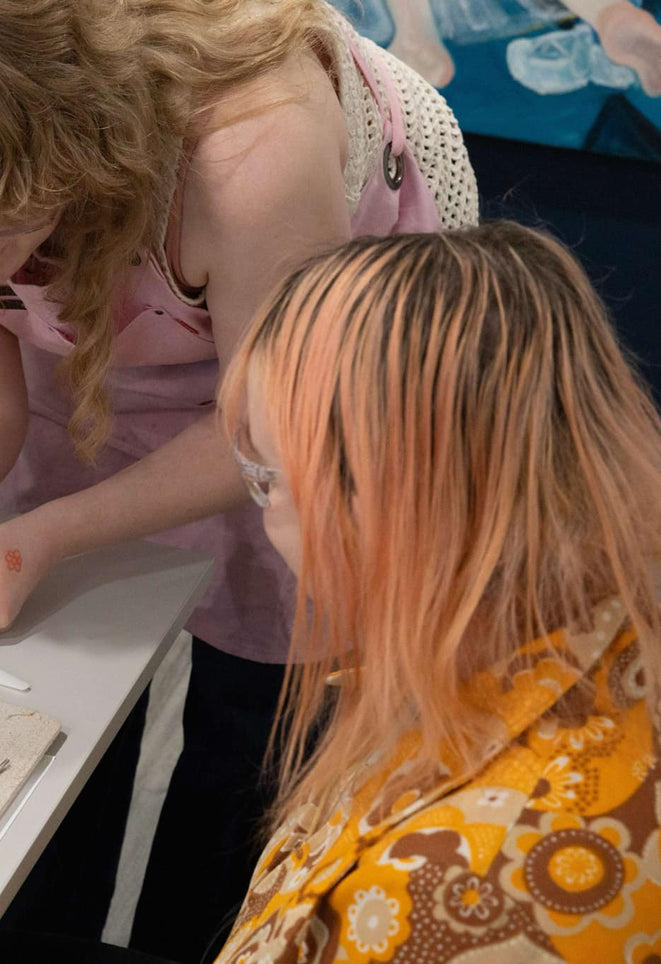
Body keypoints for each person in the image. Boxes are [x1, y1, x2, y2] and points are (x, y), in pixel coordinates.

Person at [0, 0, 477, 955]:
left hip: (305, 345)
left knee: (256, 735)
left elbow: (276, 427)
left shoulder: (250, 140)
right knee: (56, 695)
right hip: (118, 312)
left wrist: (47, 531)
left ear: (82, 147)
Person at [213, 221, 661, 962]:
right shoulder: (602, 616)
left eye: (268, 478)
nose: (265, 515)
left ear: (384, 504)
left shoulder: (454, 895)